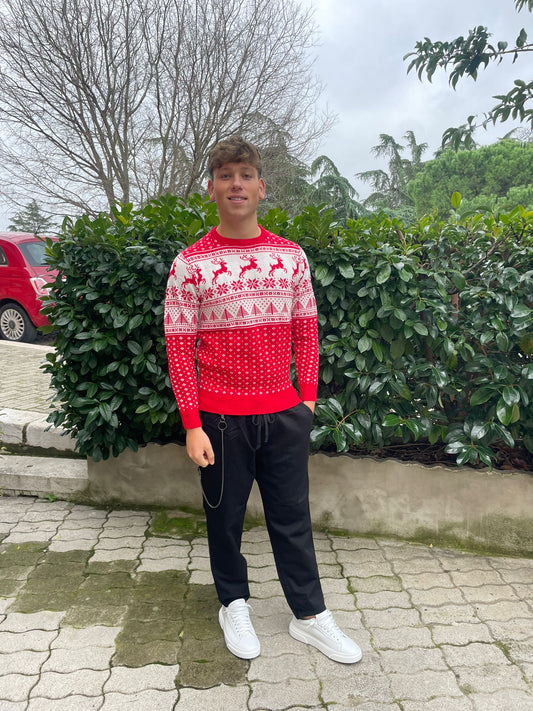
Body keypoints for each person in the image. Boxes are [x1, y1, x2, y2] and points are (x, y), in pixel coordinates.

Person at [164, 136, 361, 664]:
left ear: (261, 188)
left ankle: (310, 615)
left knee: (292, 518)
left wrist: (307, 401)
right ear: (211, 188)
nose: (236, 184)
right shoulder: (190, 265)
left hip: (283, 417)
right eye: (225, 175)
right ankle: (233, 603)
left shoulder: (291, 257)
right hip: (220, 422)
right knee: (224, 520)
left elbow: (307, 332)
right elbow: (179, 346)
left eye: (245, 175)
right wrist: (192, 423)